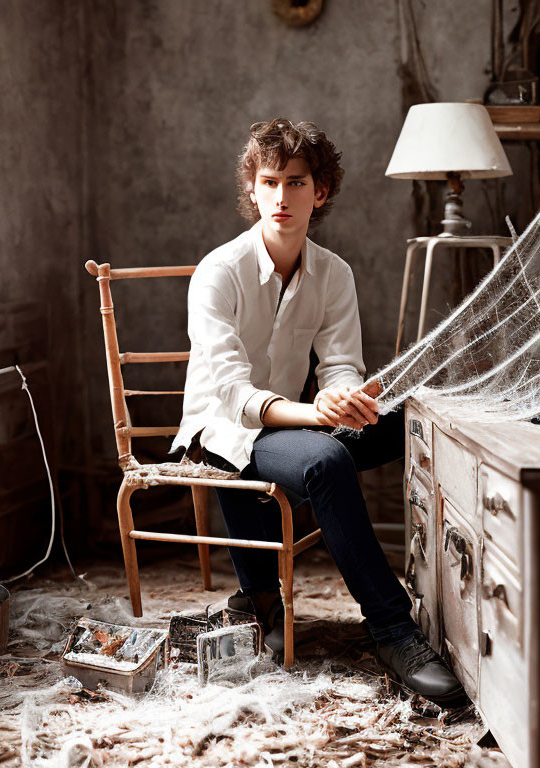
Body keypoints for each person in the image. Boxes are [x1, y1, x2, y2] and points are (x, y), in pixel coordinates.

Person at [171, 118, 465, 708]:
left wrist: (345, 397)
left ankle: (444, 588)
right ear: (253, 190)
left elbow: (340, 366)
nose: (282, 197)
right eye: (270, 182)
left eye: (297, 183)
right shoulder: (218, 272)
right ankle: (392, 630)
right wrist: (318, 415)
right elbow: (233, 395)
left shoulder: (334, 273)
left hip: (300, 419)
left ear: (319, 192)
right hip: (226, 429)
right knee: (326, 460)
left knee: (410, 418)